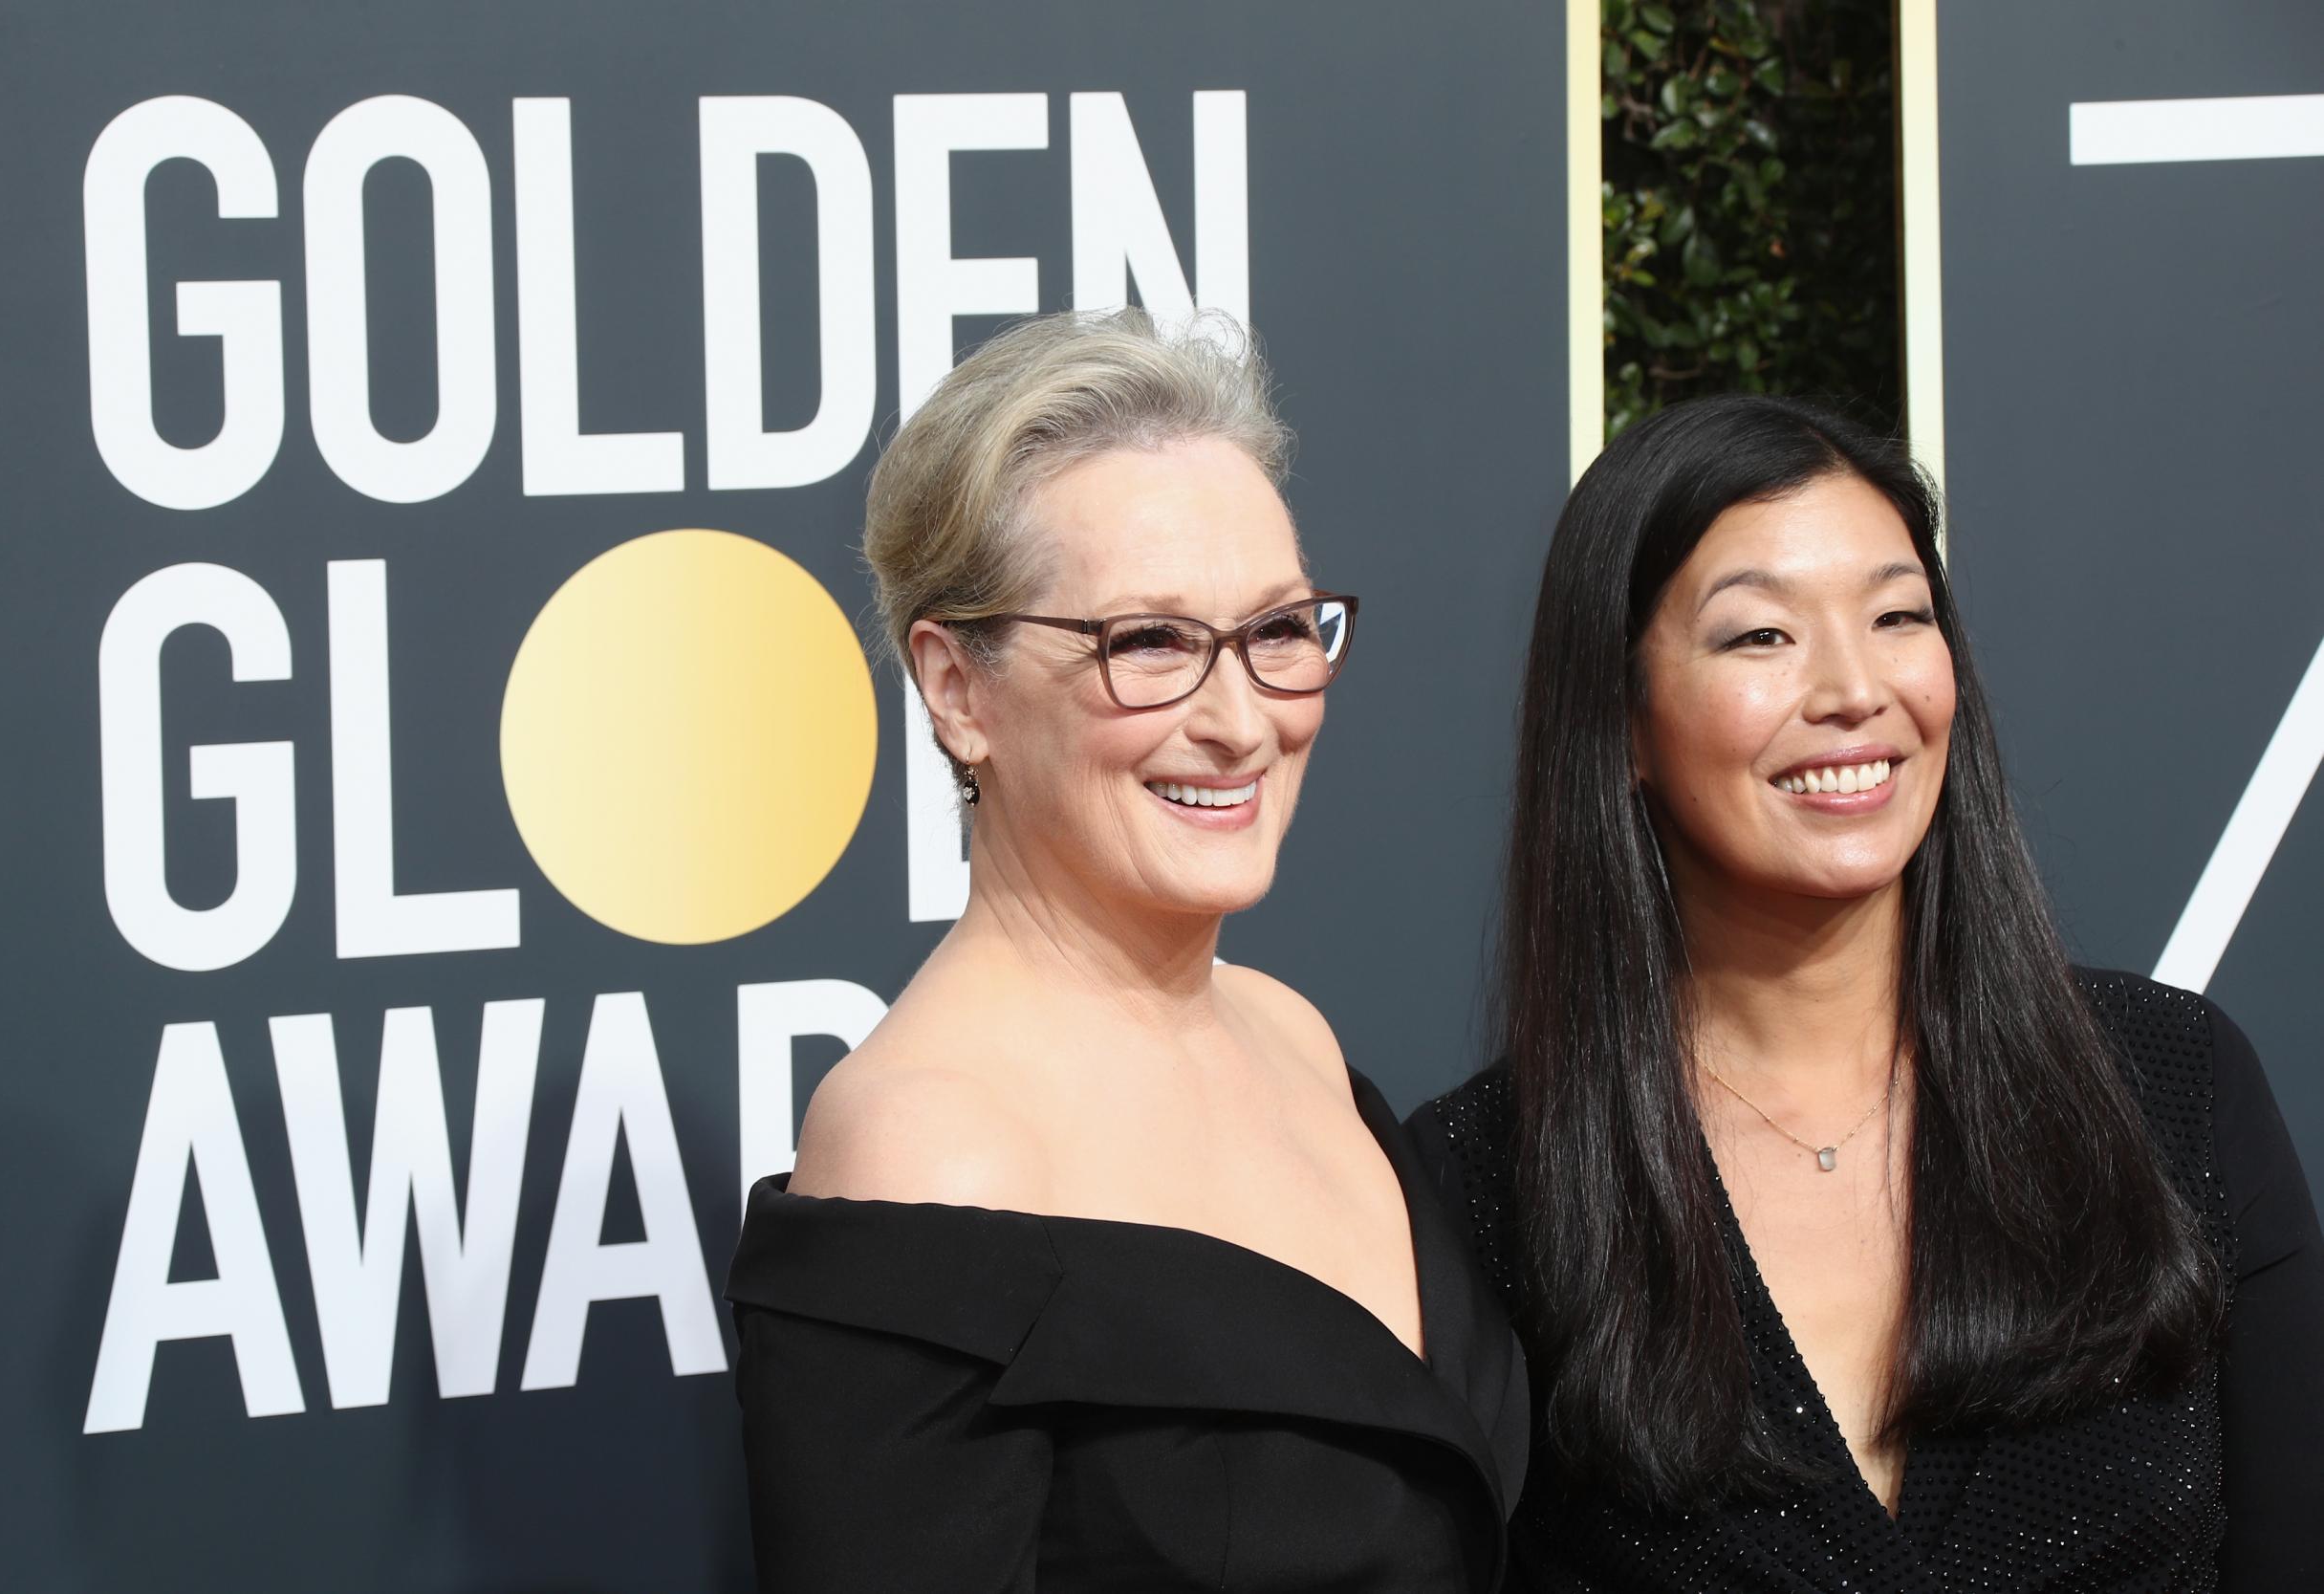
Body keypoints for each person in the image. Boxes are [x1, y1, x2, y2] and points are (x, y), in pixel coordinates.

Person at [1408, 393, 2324, 1590]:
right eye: (1760, 637)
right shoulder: (1479, 1186)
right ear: (1621, 717)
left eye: (1898, 615)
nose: (1853, 688)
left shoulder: (2174, 1083)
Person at [727, 308, 1530, 1592]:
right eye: (1147, 642)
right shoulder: (926, 1149)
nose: (1238, 719)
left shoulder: (1293, 1032)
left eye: (1276, 629)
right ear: (957, 688)